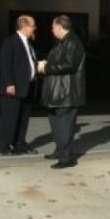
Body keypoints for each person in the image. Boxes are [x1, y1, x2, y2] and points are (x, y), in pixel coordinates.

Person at [38, 15, 86, 169]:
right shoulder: (63, 42)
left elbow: (69, 65)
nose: (52, 30)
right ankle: (60, 151)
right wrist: (47, 63)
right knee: (57, 123)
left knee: (64, 125)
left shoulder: (72, 42)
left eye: (53, 27)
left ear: (59, 27)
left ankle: (66, 158)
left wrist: (46, 67)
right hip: (58, 92)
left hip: (67, 93)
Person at [0, 15, 39, 156]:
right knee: (9, 117)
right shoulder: (11, 42)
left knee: (23, 117)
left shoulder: (28, 43)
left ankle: (19, 143)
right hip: (13, 87)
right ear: (24, 26)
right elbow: (5, 64)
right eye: (32, 25)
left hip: (27, 87)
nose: (34, 28)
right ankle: (3, 146)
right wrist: (9, 83)